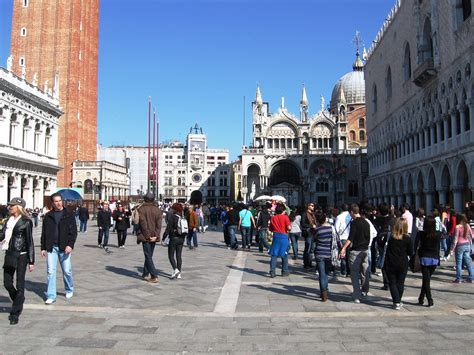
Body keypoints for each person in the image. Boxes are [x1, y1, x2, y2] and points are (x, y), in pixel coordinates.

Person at [1, 197, 35, 325]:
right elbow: (2, 235)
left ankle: (15, 313)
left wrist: (31, 261)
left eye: (12, 206)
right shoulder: (7, 220)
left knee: (20, 284)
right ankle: (18, 299)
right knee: (7, 283)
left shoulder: (26, 222)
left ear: (19, 208)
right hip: (9, 253)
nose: (10, 207)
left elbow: (30, 241)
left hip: (21, 255)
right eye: (10, 205)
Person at [41, 193, 77, 304]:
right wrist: (43, 247)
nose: (58, 203)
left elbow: (73, 232)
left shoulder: (68, 214)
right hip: (52, 247)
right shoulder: (48, 216)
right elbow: (44, 233)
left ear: (62, 201)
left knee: (67, 271)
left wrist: (70, 245)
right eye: (56, 201)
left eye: (60, 200)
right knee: (50, 272)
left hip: (64, 247)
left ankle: (69, 288)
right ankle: (51, 295)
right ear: (52, 203)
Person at [340, 204, 370, 303]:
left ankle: (356, 296)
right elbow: (368, 237)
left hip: (356, 251)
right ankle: (365, 291)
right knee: (364, 272)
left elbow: (350, 238)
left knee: (354, 274)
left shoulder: (354, 223)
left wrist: (343, 248)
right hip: (365, 250)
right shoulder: (366, 222)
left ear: (352, 212)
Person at [383, 218, 412, 310]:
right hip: (402, 262)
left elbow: (383, 245)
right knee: (400, 283)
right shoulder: (408, 238)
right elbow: (410, 252)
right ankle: (398, 300)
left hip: (391, 262)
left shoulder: (391, 237)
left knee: (392, 282)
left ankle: (396, 301)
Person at [136, 192, 163, 283]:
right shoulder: (158, 210)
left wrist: (148, 236)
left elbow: (143, 224)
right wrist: (156, 235)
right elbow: (159, 226)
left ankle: (154, 275)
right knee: (149, 255)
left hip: (145, 236)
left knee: (148, 255)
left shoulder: (141, 209)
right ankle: (145, 274)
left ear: (145, 199)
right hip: (154, 236)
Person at [314, 212, 340, 301]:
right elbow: (337, 239)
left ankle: (323, 292)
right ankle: (326, 290)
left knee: (321, 274)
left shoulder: (318, 230)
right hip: (329, 254)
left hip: (319, 253)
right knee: (326, 273)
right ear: (325, 219)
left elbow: (315, 239)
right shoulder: (332, 229)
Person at [416, 216, 441, 307]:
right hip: (434, 258)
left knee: (426, 280)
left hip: (424, 258)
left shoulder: (421, 234)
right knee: (426, 279)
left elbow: (416, 245)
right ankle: (421, 298)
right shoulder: (438, 234)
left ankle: (429, 300)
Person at [374, 203, 395, 290]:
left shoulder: (377, 219)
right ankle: (391, 282)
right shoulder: (392, 219)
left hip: (380, 240)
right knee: (390, 260)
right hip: (390, 239)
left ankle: (386, 283)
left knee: (383, 259)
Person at [163, 203, 187, 279]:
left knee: (170, 255)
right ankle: (179, 273)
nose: (171, 209)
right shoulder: (183, 217)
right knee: (179, 255)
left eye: (173, 208)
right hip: (182, 238)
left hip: (174, 238)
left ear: (175, 209)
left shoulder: (173, 217)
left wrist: (163, 238)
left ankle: (175, 269)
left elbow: (168, 229)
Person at [268, 204, 291, 278]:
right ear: (283, 210)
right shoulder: (285, 217)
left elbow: (270, 228)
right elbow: (289, 228)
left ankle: (272, 271)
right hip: (284, 236)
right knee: (284, 254)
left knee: (274, 254)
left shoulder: (273, 218)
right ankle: (284, 271)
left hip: (276, 236)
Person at [450, 214, 473, 283]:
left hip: (460, 245)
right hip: (467, 244)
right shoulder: (467, 225)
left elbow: (455, 239)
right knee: (468, 261)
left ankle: (458, 278)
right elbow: (471, 235)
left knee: (459, 262)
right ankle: (471, 277)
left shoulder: (457, 227)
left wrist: (452, 249)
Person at [335, 204, 352, 276]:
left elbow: (336, 229)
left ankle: (343, 271)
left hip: (342, 238)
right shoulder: (351, 216)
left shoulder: (339, 217)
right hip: (350, 238)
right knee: (349, 256)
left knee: (343, 256)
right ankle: (349, 271)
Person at [301, 202, 317, 269]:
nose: (313, 207)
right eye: (312, 205)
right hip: (308, 233)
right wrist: (311, 225)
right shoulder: (304, 214)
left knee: (312, 249)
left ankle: (310, 262)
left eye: (313, 206)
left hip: (313, 233)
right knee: (307, 248)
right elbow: (303, 223)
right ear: (308, 206)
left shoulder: (313, 214)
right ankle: (306, 264)